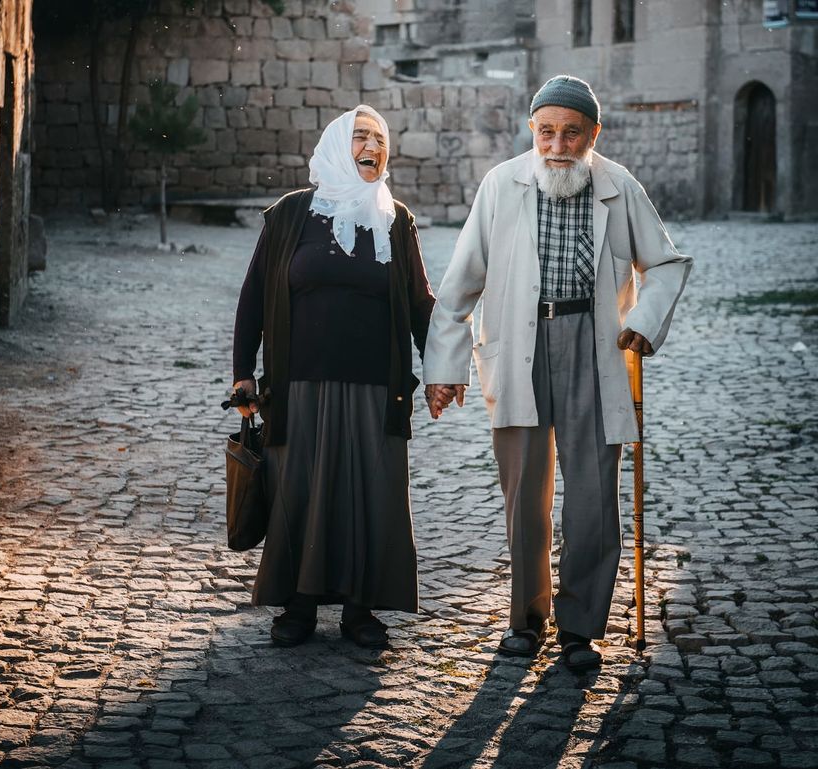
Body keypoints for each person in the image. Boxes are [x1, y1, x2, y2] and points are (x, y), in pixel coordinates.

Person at [422, 75, 692, 672]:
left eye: (572, 133)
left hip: (594, 347)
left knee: (594, 496)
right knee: (526, 495)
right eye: (547, 132)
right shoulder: (501, 184)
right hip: (519, 341)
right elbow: (462, 280)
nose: (558, 145)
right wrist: (445, 366)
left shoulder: (619, 187)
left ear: (593, 134)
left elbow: (667, 265)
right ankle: (525, 618)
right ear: (532, 131)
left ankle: (580, 627)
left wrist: (643, 321)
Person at [231, 105, 435, 649]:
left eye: (380, 139)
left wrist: (441, 369)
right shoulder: (291, 214)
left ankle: (360, 609)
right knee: (299, 490)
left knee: (370, 491)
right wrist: (242, 375)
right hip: (299, 385)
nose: (372, 146)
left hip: (375, 386)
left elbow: (420, 304)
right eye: (360, 136)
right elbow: (254, 297)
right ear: (337, 144)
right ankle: (297, 605)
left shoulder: (397, 220)